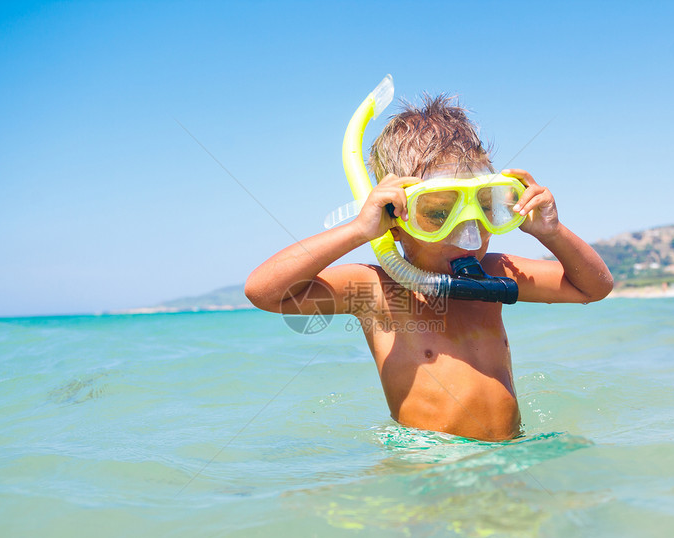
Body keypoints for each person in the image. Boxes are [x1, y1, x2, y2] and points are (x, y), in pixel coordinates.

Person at [245, 95, 613, 441]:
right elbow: (264, 291)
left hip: (509, 455)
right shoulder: (377, 289)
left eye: (485, 208)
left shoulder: (496, 272)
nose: (468, 234)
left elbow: (593, 288)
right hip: (428, 464)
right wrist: (358, 230)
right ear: (395, 217)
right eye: (438, 213)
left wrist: (553, 233)